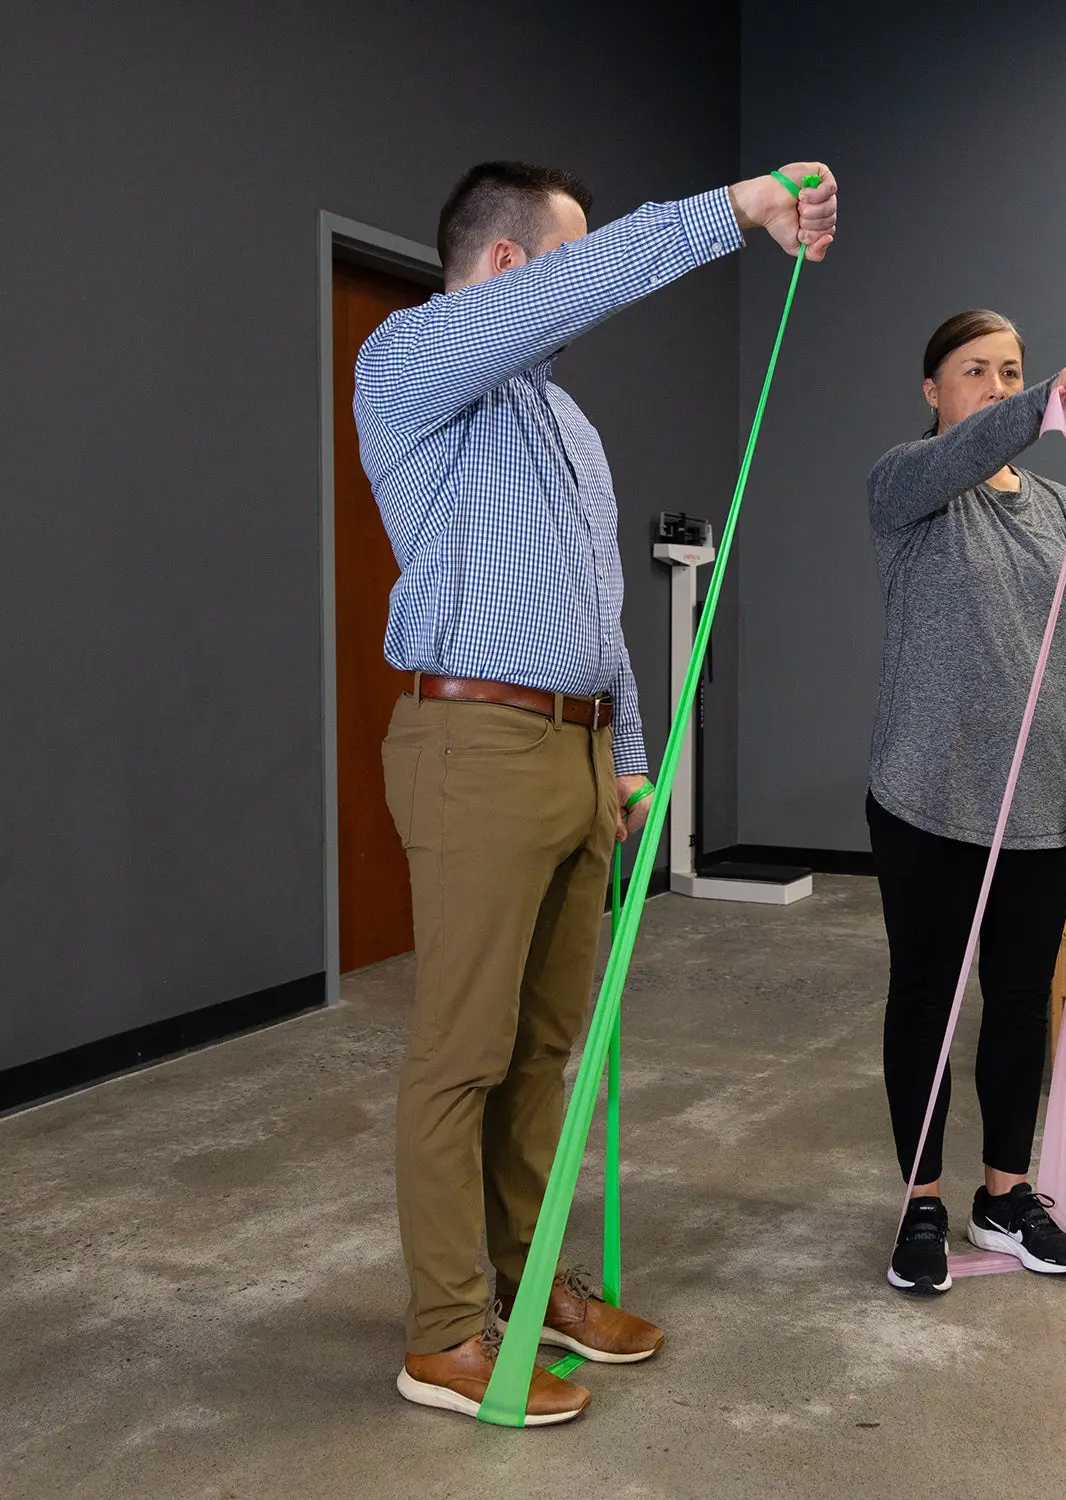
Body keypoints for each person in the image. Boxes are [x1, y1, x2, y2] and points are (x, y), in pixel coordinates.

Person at [355, 158, 837, 1422]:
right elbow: (598, 278)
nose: (584, 288)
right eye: (568, 261)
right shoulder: (405, 362)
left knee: (544, 1048)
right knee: (462, 1050)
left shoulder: (566, 423)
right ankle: (444, 1334)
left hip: (577, 753)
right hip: (475, 745)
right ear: (510, 265)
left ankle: (525, 1286)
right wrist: (736, 209)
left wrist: (626, 750)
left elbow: (595, 597)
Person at [865, 309, 1066, 1296]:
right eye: (973, 370)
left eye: (1011, 371)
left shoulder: (1060, 507)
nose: (993, 386)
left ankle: (1005, 1198)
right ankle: (922, 1203)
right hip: (924, 799)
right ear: (932, 391)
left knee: (1019, 1004)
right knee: (926, 1003)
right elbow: (971, 449)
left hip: (1037, 810)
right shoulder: (907, 485)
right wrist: (1049, 397)